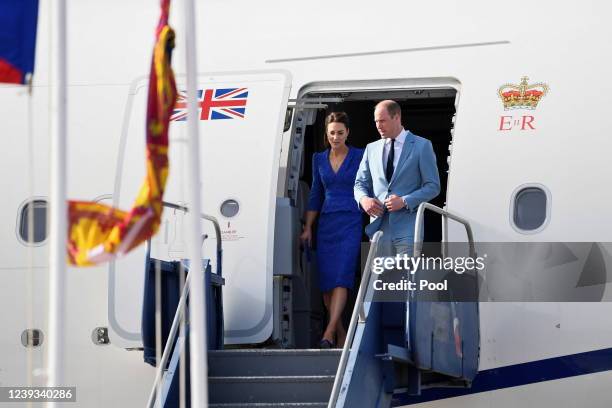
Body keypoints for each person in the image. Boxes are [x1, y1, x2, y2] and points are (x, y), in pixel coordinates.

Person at [300, 112, 364, 348]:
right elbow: (316, 194)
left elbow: (368, 185)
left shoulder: (360, 156)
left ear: (347, 132)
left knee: (341, 278)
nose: (335, 137)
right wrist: (308, 227)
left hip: (351, 220)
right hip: (326, 223)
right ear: (326, 135)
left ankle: (328, 331)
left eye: (340, 132)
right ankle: (341, 334)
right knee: (327, 284)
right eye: (331, 133)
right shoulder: (318, 158)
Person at [354, 100, 440, 256]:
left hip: (408, 228)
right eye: (376, 121)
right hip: (378, 229)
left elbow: (433, 186)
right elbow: (359, 183)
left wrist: (404, 201)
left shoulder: (422, 145)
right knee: (379, 279)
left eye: (382, 120)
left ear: (397, 117)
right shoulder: (371, 148)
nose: (378, 125)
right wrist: (364, 200)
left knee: (405, 278)